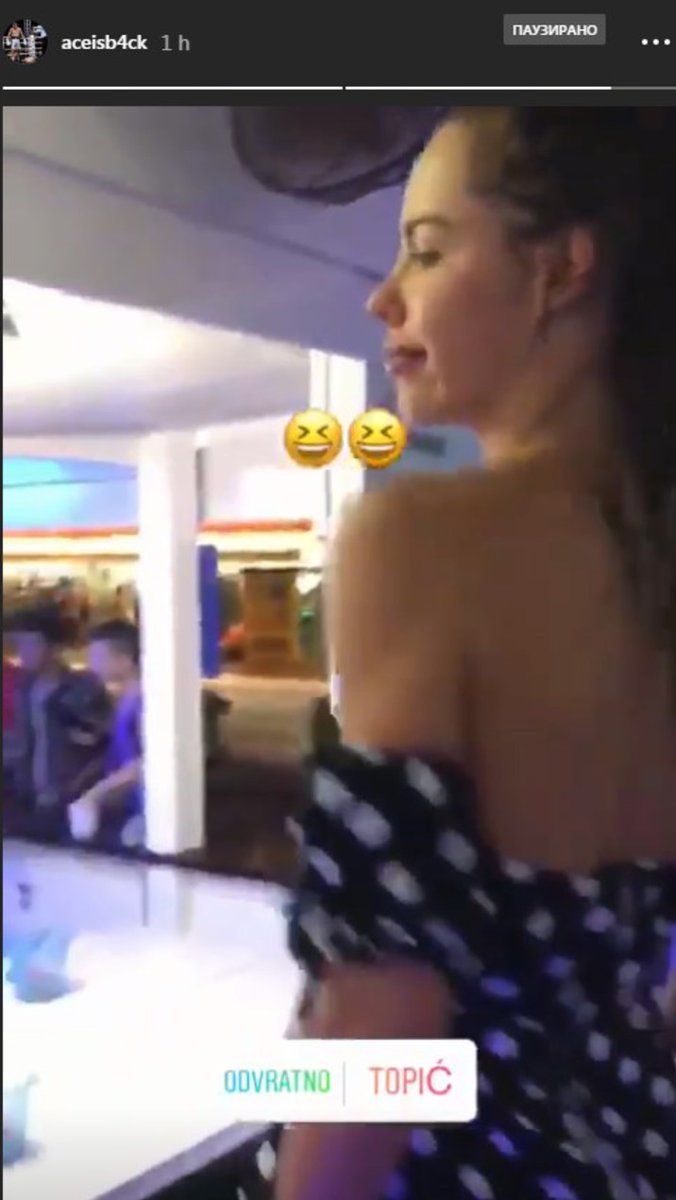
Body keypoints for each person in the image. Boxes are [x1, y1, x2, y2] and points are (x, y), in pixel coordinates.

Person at [268, 109, 676, 1200]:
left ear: (560, 271)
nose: (383, 297)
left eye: (427, 249)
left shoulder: (420, 535)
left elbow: (386, 1010)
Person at [4, 605, 112, 837]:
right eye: (18, 645)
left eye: (30, 645)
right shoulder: (24, 688)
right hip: (28, 801)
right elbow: (19, 742)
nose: (22, 653)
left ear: (54, 647)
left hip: (70, 802)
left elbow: (101, 745)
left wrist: (77, 787)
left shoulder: (83, 688)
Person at [69, 620, 144, 848]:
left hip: (147, 813)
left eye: (98, 657)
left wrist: (94, 795)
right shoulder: (123, 699)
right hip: (127, 805)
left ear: (125, 659)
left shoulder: (144, 703)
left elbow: (144, 763)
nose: (92, 665)